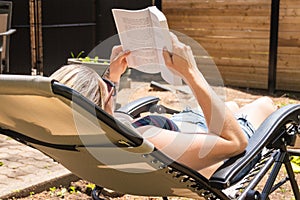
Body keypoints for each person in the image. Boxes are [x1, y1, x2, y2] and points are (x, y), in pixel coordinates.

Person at [50, 33, 277, 178]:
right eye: (106, 88)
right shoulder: (146, 139)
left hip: (185, 126)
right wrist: (191, 71)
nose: (111, 88)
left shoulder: (80, 137)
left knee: (234, 104)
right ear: (97, 109)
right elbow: (235, 143)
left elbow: (101, 109)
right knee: (265, 105)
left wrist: (112, 77)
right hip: (210, 135)